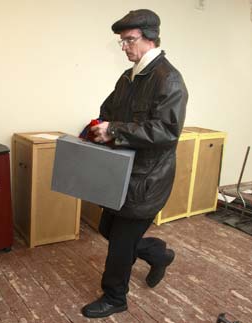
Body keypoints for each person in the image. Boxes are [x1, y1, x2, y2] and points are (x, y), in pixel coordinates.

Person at [81, 9, 188, 318]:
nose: (125, 46)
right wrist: (97, 127)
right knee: (108, 228)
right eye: (122, 41)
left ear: (149, 38)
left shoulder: (169, 80)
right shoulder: (129, 78)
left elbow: (166, 132)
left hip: (147, 179)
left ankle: (115, 297)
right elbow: (108, 108)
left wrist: (113, 131)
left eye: (129, 40)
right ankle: (158, 253)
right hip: (121, 172)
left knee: (120, 244)